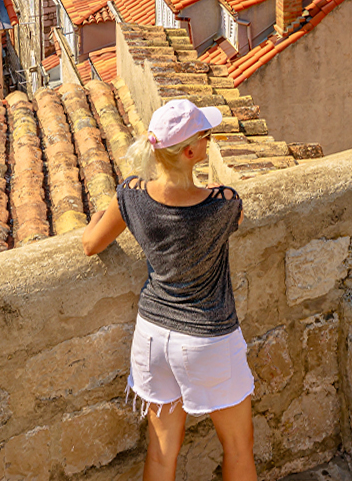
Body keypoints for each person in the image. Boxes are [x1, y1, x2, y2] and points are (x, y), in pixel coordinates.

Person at [82, 99, 255, 481]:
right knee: (239, 447)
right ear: (190, 152)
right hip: (208, 337)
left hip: (153, 338)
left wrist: (95, 218)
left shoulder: (130, 195)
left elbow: (91, 244)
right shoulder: (223, 204)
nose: (209, 142)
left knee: (161, 454)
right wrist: (211, 191)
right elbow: (235, 215)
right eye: (206, 136)